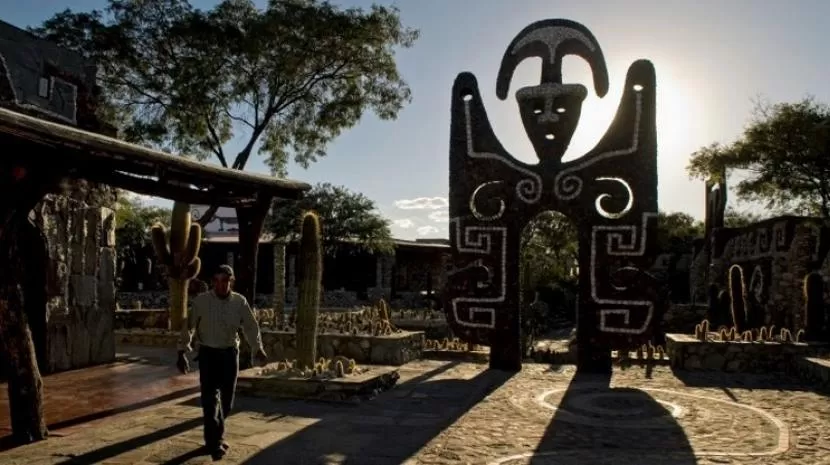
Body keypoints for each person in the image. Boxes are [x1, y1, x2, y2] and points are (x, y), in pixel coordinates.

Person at [177, 264, 268, 460]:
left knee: (226, 402)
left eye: (225, 281)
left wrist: (257, 348)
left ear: (231, 282)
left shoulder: (239, 302)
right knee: (210, 402)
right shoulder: (201, 302)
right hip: (208, 355)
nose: (220, 285)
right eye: (216, 281)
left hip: (229, 355)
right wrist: (181, 351)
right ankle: (215, 442)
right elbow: (188, 327)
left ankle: (216, 435)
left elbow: (251, 327)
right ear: (212, 282)